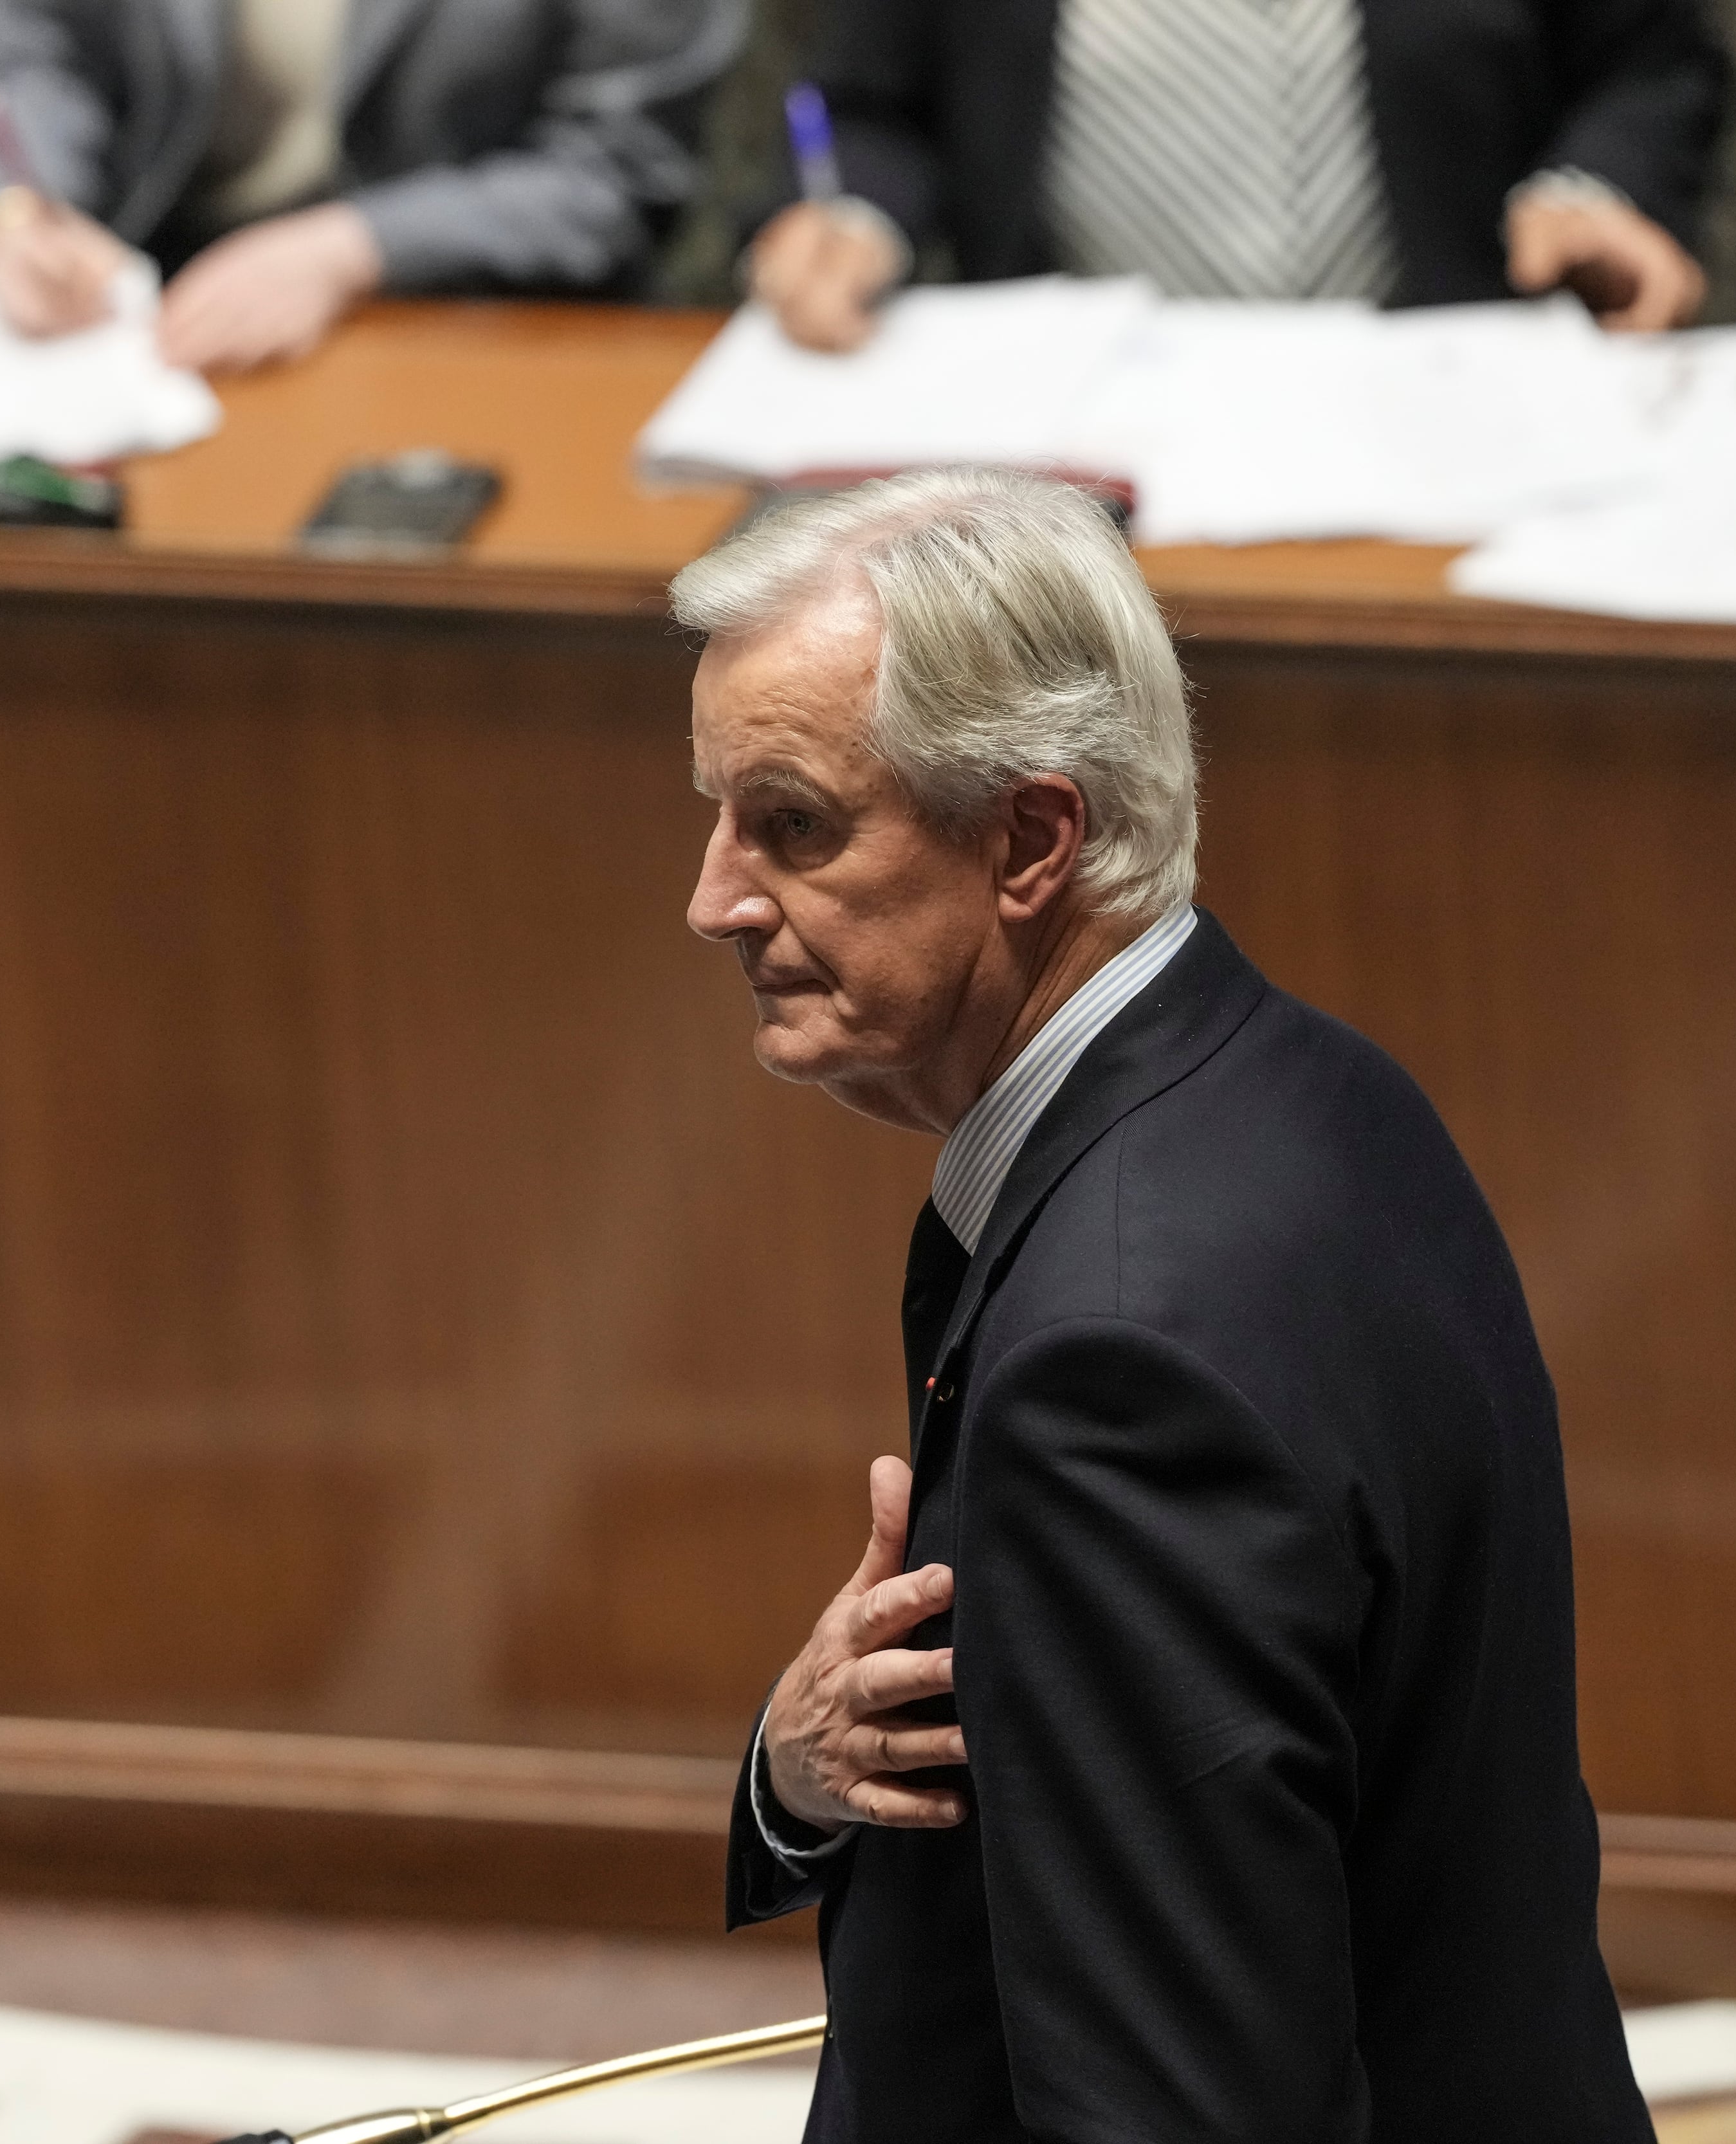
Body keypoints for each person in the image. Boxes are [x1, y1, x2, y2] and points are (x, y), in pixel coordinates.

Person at [679, 468, 1649, 2141]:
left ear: (1031, 839)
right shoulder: (1310, 1092)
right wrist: (795, 1765)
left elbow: (1184, 2106)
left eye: (793, 823)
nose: (715, 897)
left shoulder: (1115, 1359)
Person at [751, 0, 1731, 349]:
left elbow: (1650, 67)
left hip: (1445, 378)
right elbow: (868, 105)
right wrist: (851, 210)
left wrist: (1600, 190)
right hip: (1078, 432)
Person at [0, 0, 745, 374]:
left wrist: (356, 247)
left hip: (473, 323)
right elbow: (29, 55)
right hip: (153, 310)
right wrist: (18, 207)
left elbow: (620, 168)